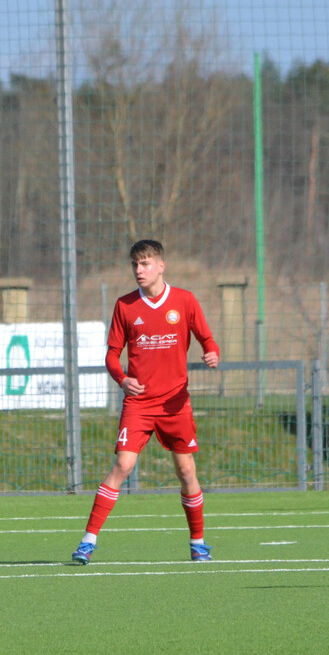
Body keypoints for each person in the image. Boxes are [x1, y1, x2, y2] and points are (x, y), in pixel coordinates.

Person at [70, 239, 219, 565]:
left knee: (185, 470)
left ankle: (198, 543)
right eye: (135, 265)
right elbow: (111, 354)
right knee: (122, 466)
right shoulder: (125, 306)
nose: (139, 270)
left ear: (161, 266)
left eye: (146, 264)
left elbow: (206, 338)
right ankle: (87, 541)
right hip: (138, 404)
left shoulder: (185, 300)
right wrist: (122, 379)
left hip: (175, 403)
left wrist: (211, 352)